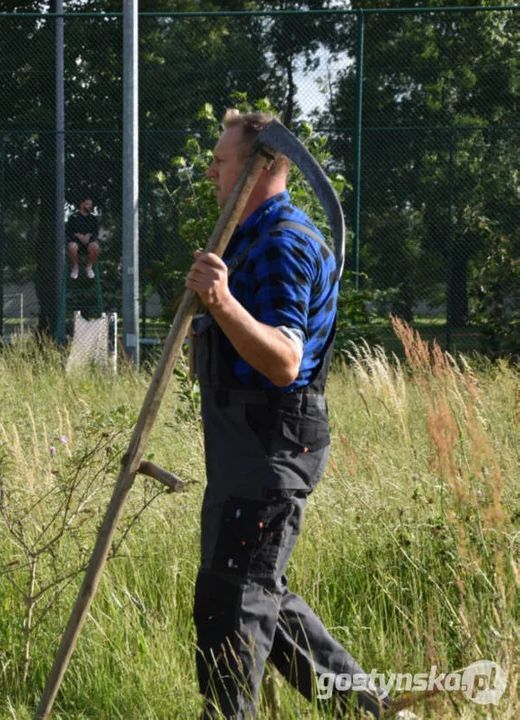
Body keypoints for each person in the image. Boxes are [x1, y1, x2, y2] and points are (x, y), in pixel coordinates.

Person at [184, 109, 391, 719]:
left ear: (262, 167)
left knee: (233, 601)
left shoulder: (283, 242)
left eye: (222, 162)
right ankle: (373, 712)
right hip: (246, 447)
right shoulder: (248, 237)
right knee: (262, 595)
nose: (212, 171)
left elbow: (283, 360)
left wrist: (220, 301)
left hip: (269, 445)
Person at [66, 196, 99, 279]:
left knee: (95, 246)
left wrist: (89, 235)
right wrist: (77, 235)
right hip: (76, 243)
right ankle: (75, 267)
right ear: (82, 204)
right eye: (87, 204)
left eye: (91, 205)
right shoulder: (73, 217)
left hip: (89, 243)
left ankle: (89, 267)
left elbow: (96, 232)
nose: (90, 206)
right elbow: (68, 231)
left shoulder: (93, 218)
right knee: (72, 246)